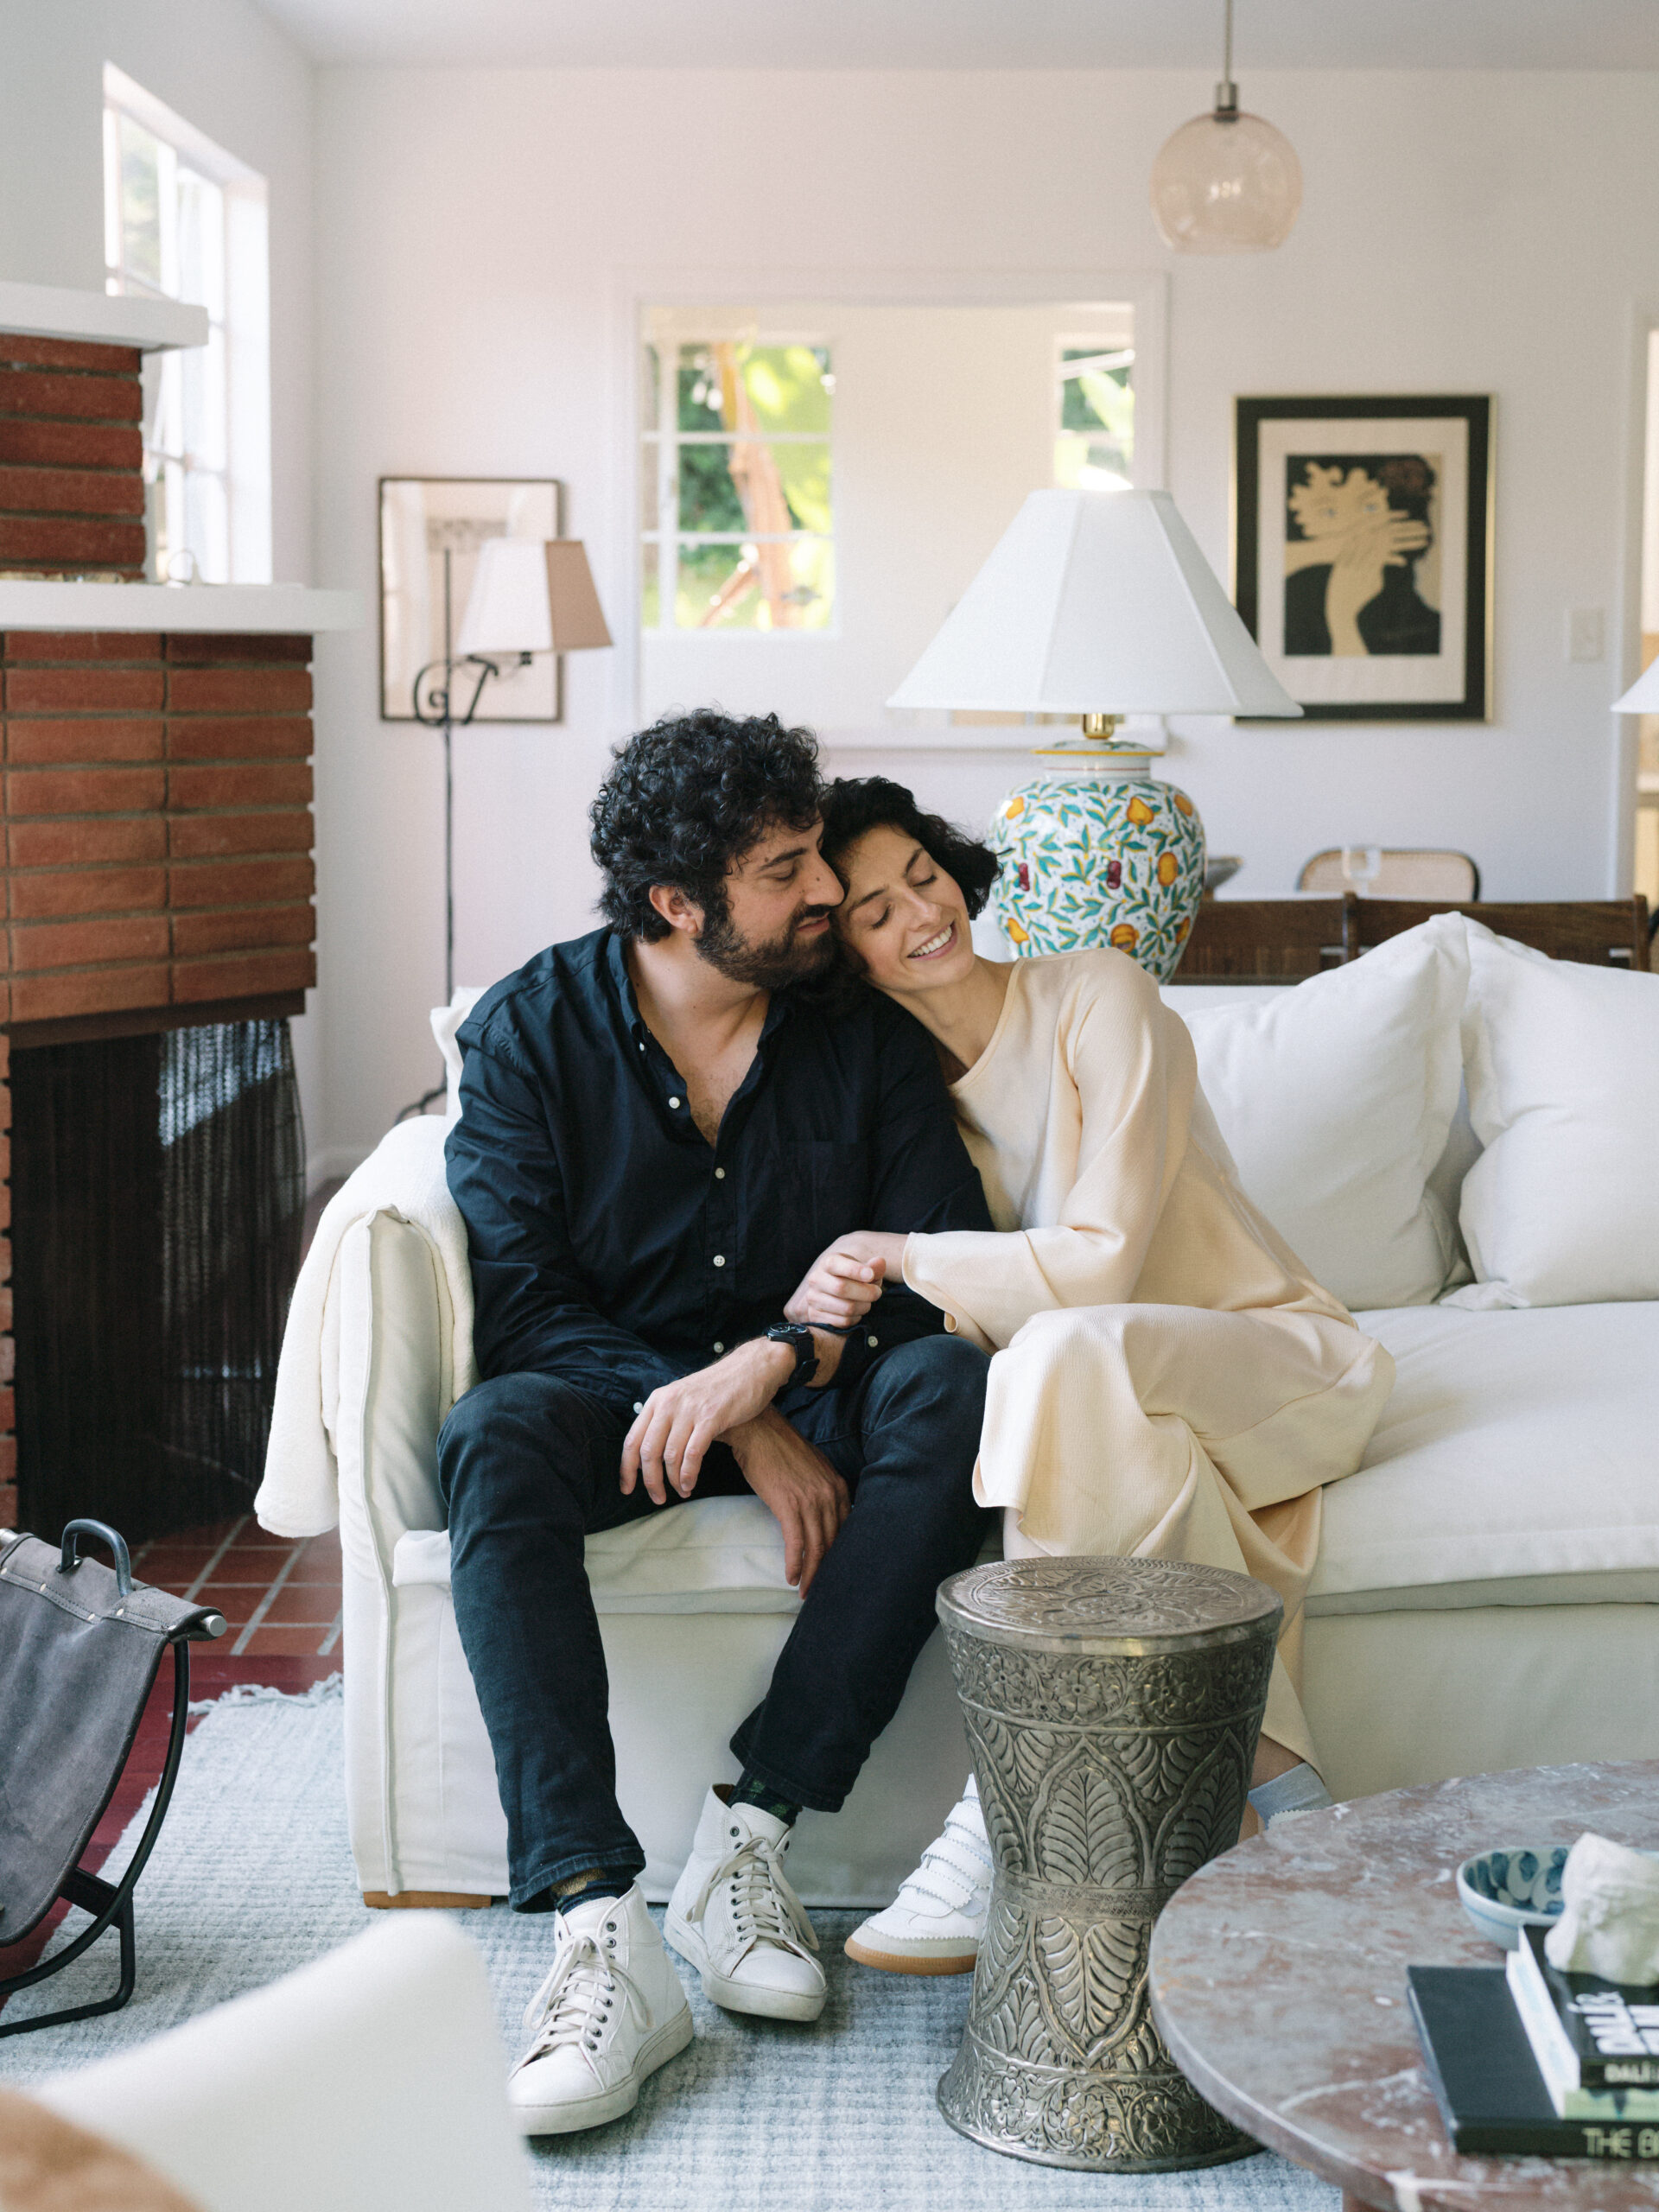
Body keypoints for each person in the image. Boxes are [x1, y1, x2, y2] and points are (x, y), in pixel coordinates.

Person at [439, 715, 995, 2136]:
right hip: (614, 1387)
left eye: (816, 855)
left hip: (828, 1376)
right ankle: (595, 1928)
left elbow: (942, 1265)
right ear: (680, 905)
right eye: (785, 868)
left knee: (957, 1392)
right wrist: (740, 1422)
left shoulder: (856, 1035)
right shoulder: (528, 1032)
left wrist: (773, 1371)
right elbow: (524, 1302)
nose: (825, 893)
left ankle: (750, 1841)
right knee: (495, 1435)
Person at [791, 777, 1396, 1977]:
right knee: (1064, 1396)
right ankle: (1299, 1807)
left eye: (925, 874)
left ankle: (1006, 1808)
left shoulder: (1095, 994)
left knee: (1061, 1352)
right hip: (1127, 1414)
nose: (923, 912)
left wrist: (901, 1253)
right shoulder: (903, 1112)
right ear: (844, 957)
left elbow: (1105, 1258)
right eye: (874, 910)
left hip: (1277, 1363)